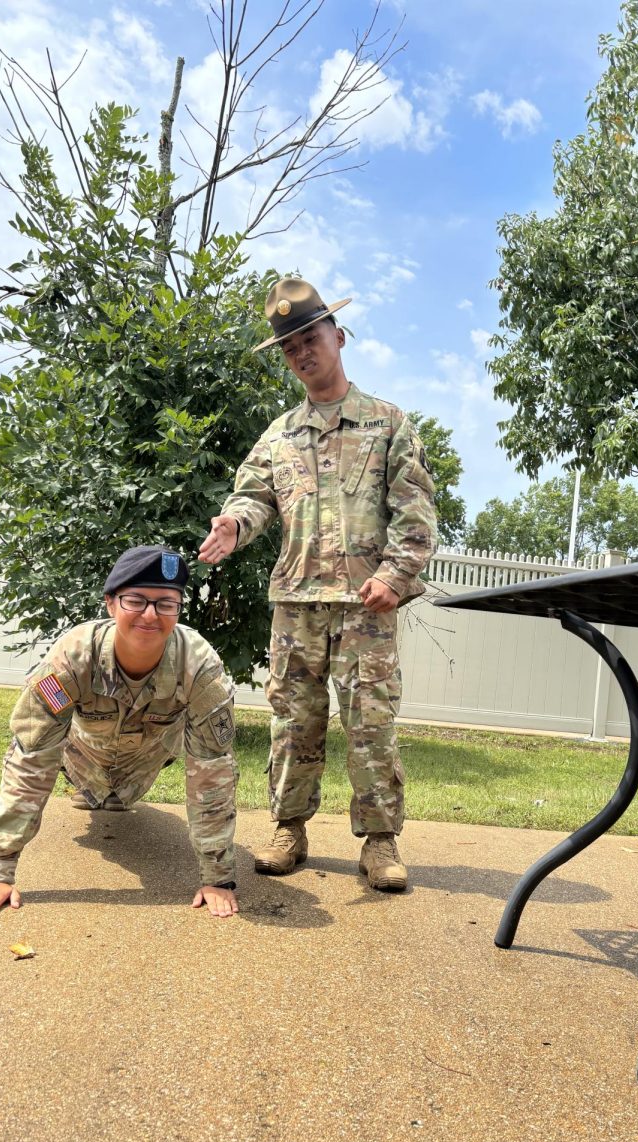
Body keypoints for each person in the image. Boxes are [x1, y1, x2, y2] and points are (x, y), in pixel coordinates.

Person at [198, 277, 437, 891]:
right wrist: (234, 525)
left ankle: (380, 842)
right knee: (292, 724)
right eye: (289, 347)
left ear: (338, 336)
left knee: (371, 724)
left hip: (366, 605)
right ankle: (289, 828)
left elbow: (416, 512)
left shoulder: (388, 424)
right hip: (297, 605)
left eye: (310, 337)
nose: (302, 352)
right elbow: (251, 498)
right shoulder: (279, 435)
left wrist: (395, 576)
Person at [0, 545, 240, 920]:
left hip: (148, 761)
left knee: (119, 802)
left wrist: (217, 878)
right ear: (110, 604)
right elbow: (31, 756)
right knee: (90, 793)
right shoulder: (72, 658)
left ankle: (113, 794)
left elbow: (212, 768)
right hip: (80, 757)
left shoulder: (200, 666)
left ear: (178, 609)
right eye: (136, 600)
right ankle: (91, 791)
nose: (150, 614)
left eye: (166, 604)